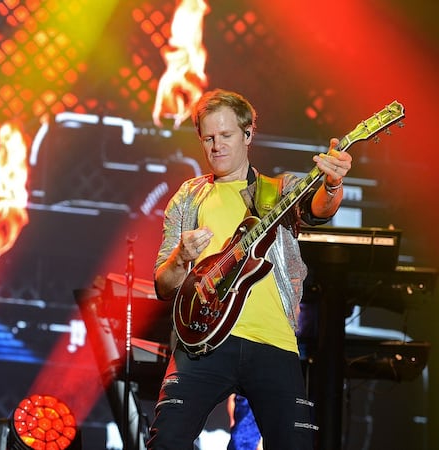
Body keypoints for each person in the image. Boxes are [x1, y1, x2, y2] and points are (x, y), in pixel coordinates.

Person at [147, 89, 352, 449]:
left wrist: (333, 184)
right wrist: (180, 257)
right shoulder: (188, 197)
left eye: (226, 136)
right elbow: (164, 286)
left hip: (273, 341)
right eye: (208, 138)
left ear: (248, 134)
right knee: (167, 441)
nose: (216, 146)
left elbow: (319, 209)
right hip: (202, 343)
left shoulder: (281, 190)